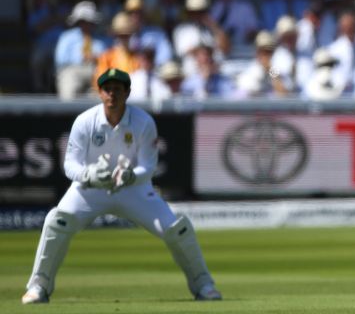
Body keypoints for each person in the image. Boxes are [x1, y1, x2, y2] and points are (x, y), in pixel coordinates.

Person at [21, 68, 221, 304]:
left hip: (133, 190)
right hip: (91, 189)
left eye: (117, 89)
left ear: (127, 92)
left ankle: (204, 285)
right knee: (57, 222)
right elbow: (70, 166)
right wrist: (89, 174)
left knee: (177, 228)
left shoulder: (143, 122)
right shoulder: (85, 121)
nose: (112, 94)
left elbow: (148, 166)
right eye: (107, 89)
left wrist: (129, 176)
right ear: (100, 92)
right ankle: (38, 287)